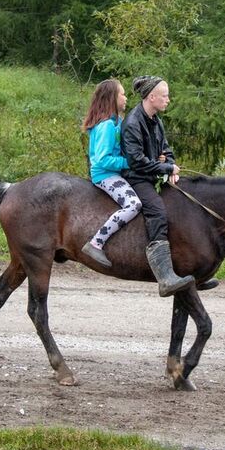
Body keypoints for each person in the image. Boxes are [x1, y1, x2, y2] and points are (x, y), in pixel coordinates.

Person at [121, 75, 196, 297]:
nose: (168, 100)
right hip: (136, 178)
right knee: (157, 211)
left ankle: (192, 268)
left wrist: (169, 163)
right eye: (165, 96)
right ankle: (164, 276)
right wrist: (164, 168)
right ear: (152, 97)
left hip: (151, 174)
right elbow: (136, 161)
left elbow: (166, 149)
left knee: (183, 203)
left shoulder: (156, 120)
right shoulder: (133, 122)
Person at [80, 79, 142, 268]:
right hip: (105, 175)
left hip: (114, 172)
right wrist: (130, 163)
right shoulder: (106, 125)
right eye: (122, 94)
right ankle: (96, 242)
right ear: (111, 99)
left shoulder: (117, 122)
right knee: (133, 204)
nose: (125, 98)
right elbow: (102, 159)